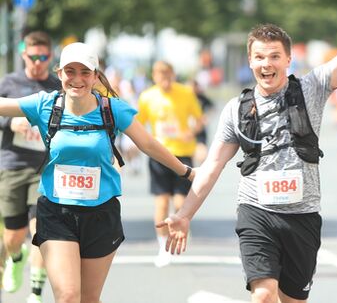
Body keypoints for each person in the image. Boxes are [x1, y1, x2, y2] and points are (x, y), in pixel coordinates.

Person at [158, 0, 337, 303]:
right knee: (262, 295)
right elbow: (212, 166)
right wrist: (186, 213)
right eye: (259, 57)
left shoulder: (311, 89)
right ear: (250, 62)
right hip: (256, 211)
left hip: (303, 217)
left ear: (288, 61)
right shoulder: (236, 110)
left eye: (274, 56)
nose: (266, 64)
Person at [0, 42, 195, 303]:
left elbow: (148, 144)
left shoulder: (112, 109)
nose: (77, 79)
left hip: (101, 213)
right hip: (56, 212)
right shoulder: (45, 105)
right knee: (68, 296)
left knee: (88, 298)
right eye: (70, 71)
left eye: (85, 72)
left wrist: (187, 172)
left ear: (95, 75)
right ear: (59, 74)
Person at [0, 31, 61, 303]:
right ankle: (15, 256)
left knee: (40, 232)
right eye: (33, 56)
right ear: (24, 54)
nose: (38, 62)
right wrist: (10, 123)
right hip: (13, 165)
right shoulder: (9, 83)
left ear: (50, 56)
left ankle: (35, 293)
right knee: (14, 236)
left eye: (43, 57)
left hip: (45, 168)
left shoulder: (57, 85)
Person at [137, 61, 203, 267]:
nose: (164, 78)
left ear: (173, 74)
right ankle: (162, 246)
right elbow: (138, 124)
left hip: (183, 154)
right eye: (159, 74)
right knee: (162, 202)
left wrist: (191, 134)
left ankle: (179, 232)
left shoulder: (185, 93)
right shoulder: (147, 96)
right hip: (160, 155)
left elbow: (200, 120)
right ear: (154, 76)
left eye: (167, 73)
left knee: (179, 203)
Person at [191, 79, 214, 166]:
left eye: (193, 87)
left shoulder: (201, 98)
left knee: (202, 155)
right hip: (187, 130)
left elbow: (212, 107)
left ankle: (202, 171)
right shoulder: (183, 98)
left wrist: (206, 117)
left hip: (200, 129)